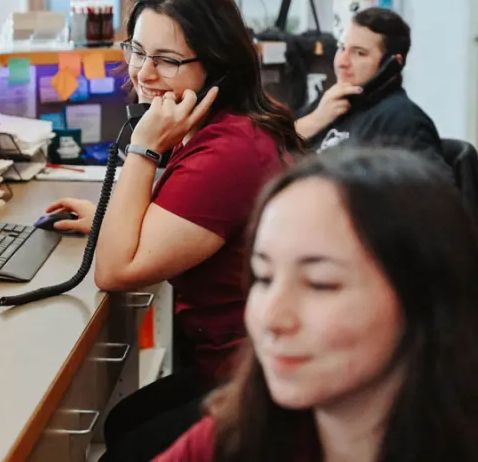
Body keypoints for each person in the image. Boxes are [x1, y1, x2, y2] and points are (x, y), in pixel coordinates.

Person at [46, 0, 304, 461]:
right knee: (124, 421)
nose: (143, 73)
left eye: (166, 60)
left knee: (127, 447)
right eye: (137, 50)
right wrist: (109, 222)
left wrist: (145, 145)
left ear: (217, 69)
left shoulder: (227, 151)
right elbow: (176, 225)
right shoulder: (221, 129)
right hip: (233, 357)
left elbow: (116, 272)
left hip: (256, 373)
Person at [154, 146, 478, 461]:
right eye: (264, 277)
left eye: (320, 284)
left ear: (424, 297)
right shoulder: (237, 438)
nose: (271, 317)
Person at [295, 8, 452, 180]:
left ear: (392, 63)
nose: (342, 62)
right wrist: (316, 119)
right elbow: (271, 153)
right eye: (342, 48)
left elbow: (435, 197)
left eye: (359, 53)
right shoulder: (329, 103)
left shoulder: (402, 120)